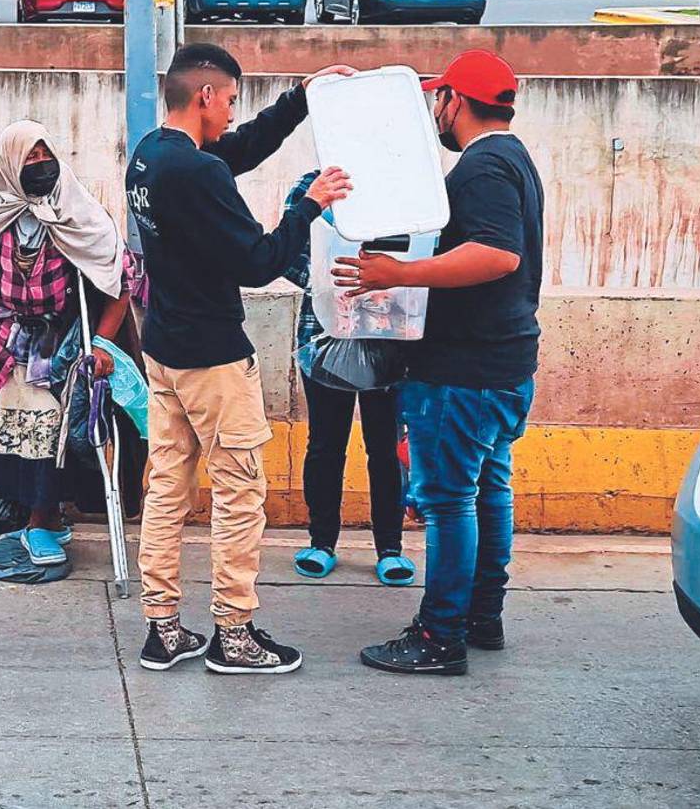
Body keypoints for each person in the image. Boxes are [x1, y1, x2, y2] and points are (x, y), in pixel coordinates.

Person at [126, 42, 354, 675]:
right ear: (204, 96)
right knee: (238, 492)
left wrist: (301, 99)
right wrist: (310, 206)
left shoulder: (151, 156)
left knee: (168, 485)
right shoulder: (196, 172)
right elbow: (259, 262)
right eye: (228, 100)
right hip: (214, 358)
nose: (231, 112)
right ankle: (235, 632)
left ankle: (163, 626)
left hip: (165, 346)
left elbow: (241, 149)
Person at [333, 50, 544, 676]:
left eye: (438, 100)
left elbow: (497, 255)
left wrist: (398, 273)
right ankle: (482, 616)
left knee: (450, 500)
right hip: (499, 365)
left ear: (455, 100)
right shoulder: (514, 158)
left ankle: (440, 635)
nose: (435, 112)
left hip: (463, 371)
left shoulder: (482, 167)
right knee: (486, 491)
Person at [0, 120, 144, 569]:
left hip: (62, 341)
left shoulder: (75, 207)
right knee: (17, 433)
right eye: (30, 158)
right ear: (10, 165)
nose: (42, 166)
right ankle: (42, 517)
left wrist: (102, 342)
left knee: (51, 430)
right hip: (2, 339)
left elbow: (120, 278)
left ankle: (43, 521)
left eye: (46, 156)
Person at [281, 171, 413, 586]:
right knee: (325, 444)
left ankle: (390, 548)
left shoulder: (403, 186)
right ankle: (321, 542)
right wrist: (330, 280)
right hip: (324, 333)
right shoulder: (312, 187)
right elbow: (288, 252)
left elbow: (421, 252)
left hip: (388, 334)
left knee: (385, 446)